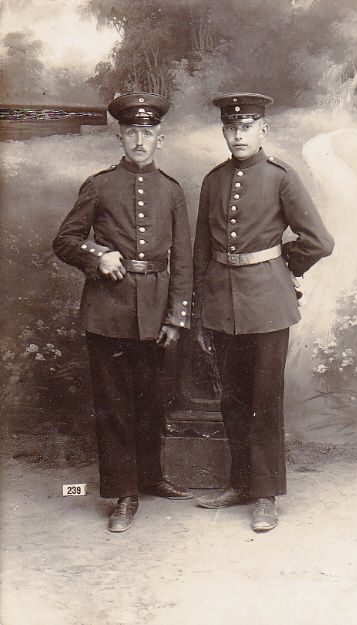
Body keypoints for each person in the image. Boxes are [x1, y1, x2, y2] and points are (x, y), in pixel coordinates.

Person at [193, 92, 334, 532]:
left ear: (262, 130)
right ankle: (240, 484)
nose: (238, 134)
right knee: (232, 398)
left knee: (263, 402)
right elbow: (202, 249)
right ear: (223, 131)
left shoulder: (280, 178)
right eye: (231, 128)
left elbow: (319, 241)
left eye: (246, 127)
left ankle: (266, 495)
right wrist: (200, 308)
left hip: (268, 306)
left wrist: (282, 264)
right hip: (221, 303)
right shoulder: (213, 181)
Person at [53, 92, 193, 533]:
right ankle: (124, 493)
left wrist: (176, 317)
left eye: (147, 133)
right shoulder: (99, 185)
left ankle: (151, 477)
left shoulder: (171, 190)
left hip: (156, 311)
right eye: (131, 131)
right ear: (120, 135)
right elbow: (65, 240)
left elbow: (183, 261)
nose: (139, 140)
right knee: (114, 406)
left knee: (152, 401)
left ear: (159, 137)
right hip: (108, 312)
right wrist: (97, 256)